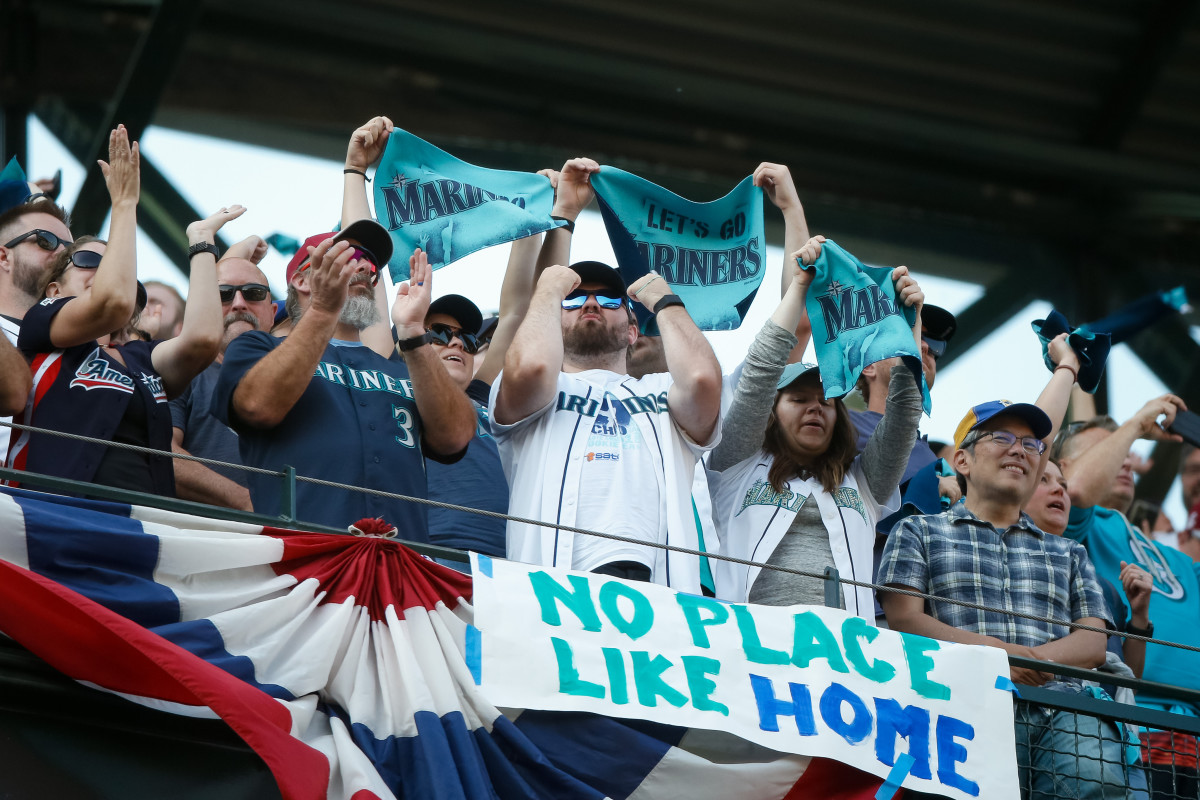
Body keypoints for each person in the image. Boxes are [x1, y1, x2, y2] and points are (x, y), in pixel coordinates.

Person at [878, 395, 1131, 800]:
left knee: (1096, 787)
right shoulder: (917, 531)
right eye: (1002, 437)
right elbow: (906, 620)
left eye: (1031, 444)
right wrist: (1000, 657)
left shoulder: (1070, 552)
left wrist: (1032, 662)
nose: (1020, 449)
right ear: (961, 460)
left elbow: (1093, 643)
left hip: (1063, 710)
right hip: (958, 708)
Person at [491, 212, 723, 591]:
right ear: (555, 320)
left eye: (609, 298)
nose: (591, 304)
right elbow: (531, 367)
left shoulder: (661, 391)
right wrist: (548, 289)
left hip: (661, 590)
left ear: (633, 331)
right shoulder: (542, 388)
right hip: (554, 588)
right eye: (575, 298)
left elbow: (701, 379)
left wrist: (665, 301)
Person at [212, 221, 477, 537]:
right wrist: (324, 310)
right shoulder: (259, 345)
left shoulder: (405, 368)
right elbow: (256, 405)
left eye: (369, 261)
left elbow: (457, 436)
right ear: (301, 280)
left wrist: (413, 332)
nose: (366, 265)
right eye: (347, 256)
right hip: (301, 561)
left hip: (402, 565)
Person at [708, 235, 924, 613]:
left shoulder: (864, 481)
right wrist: (800, 286)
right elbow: (760, 372)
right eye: (799, 399)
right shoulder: (737, 460)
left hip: (845, 659)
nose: (815, 408)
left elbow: (905, 412)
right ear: (772, 412)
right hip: (751, 650)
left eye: (826, 401)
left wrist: (910, 326)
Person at [8, 125, 225, 497]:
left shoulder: (141, 357)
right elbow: (111, 303)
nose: (107, 273)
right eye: (90, 259)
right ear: (54, 288)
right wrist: (124, 204)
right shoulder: (39, 326)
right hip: (55, 518)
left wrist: (201, 243)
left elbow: (203, 340)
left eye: (118, 269)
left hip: (143, 526)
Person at [1055, 397, 1200, 799]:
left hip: (1193, 738)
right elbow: (1080, 490)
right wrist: (1136, 423)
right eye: (1110, 447)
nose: (1125, 459)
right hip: (1133, 732)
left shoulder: (1177, 558)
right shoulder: (1076, 528)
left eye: (1125, 449)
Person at [170, 236, 277, 510]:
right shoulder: (183, 372)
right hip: (212, 539)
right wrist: (249, 504)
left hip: (308, 538)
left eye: (253, 293)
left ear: (273, 311)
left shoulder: (310, 374)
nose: (239, 303)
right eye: (223, 295)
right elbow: (160, 453)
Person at [0, 194, 73, 465]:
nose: (62, 256)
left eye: (70, 251)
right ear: (3, 257)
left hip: (55, 502)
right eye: (46, 241)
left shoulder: (84, 348)